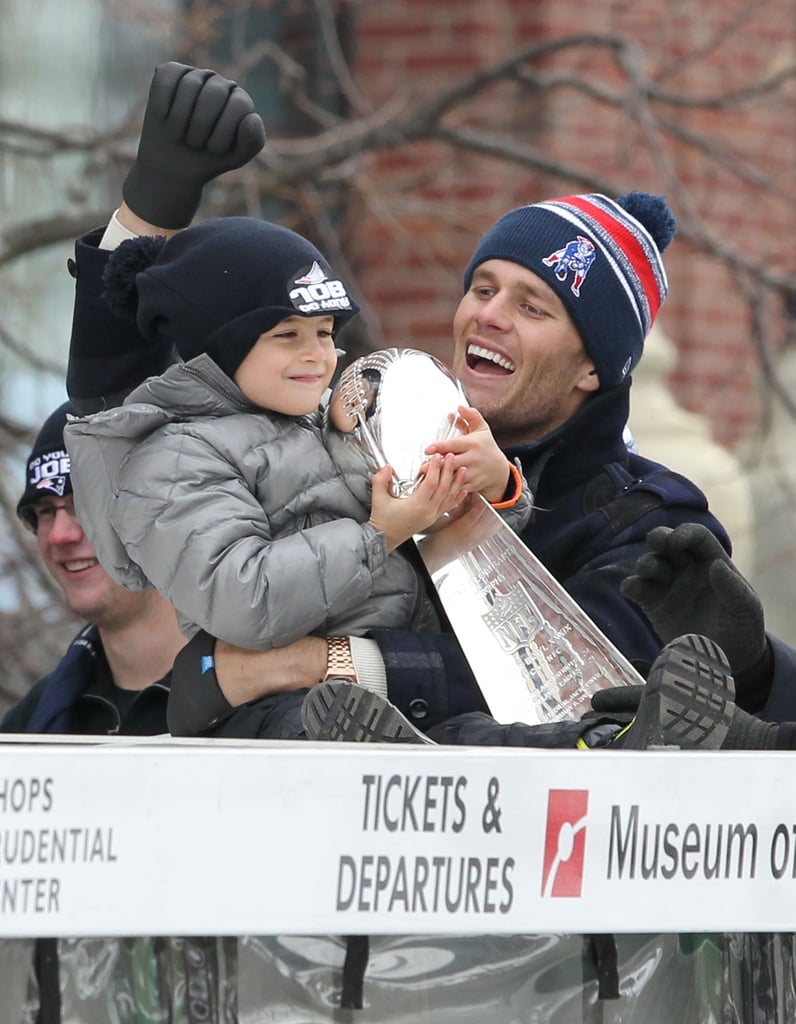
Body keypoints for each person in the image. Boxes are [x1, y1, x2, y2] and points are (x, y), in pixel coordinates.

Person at [63, 213, 529, 741]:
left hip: (394, 677)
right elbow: (242, 595)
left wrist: (492, 488)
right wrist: (380, 535)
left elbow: (464, 549)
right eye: (287, 334)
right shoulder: (172, 459)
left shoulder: (337, 414)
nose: (317, 354)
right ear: (219, 345)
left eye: (326, 332)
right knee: (450, 740)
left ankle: (607, 738)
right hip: (266, 711)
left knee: (495, 736)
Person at [2, 402, 234, 1023]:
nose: (59, 536)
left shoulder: (261, 702)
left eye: (83, 505)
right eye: (44, 513)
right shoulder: (27, 735)